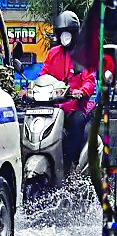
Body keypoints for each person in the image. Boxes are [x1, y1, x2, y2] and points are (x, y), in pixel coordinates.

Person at [38, 11, 96, 171]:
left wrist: (81, 92)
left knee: (76, 123)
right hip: (55, 108)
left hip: (75, 107)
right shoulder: (53, 53)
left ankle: (72, 163)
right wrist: (33, 88)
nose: (65, 38)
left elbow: (90, 80)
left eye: (68, 34)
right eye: (62, 34)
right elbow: (43, 75)